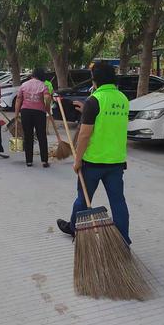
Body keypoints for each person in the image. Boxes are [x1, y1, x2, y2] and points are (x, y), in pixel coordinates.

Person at [56, 62, 131, 245]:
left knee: (83, 199)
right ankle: (123, 239)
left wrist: (78, 160)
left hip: (93, 162)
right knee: (118, 201)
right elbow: (108, 120)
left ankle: (74, 228)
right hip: (116, 161)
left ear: (95, 80)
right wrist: (87, 111)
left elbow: (85, 135)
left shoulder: (94, 100)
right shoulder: (122, 99)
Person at [15, 68, 51, 168]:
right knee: (41, 136)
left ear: (33, 75)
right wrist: (47, 108)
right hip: (39, 112)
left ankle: (29, 161)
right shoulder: (43, 85)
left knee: (28, 136)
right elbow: (47, 97)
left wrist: (16, 113)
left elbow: (18, 99)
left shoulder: (24, 85)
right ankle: (44, 160)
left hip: (26, 112)